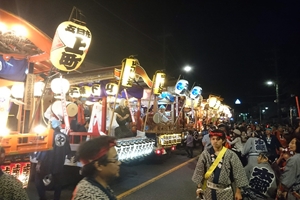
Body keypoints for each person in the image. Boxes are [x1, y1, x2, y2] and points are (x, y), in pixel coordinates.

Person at [192, 129, 248, 200]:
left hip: (226, 192)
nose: (215, 141)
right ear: (210, 140)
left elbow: (239, 173)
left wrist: (238, 192)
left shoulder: (231, 155)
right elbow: (199, 171)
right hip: (209, 191)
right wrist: (199, 187)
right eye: (213, 139)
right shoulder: (205, 154)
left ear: (223, 140)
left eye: (218, 139)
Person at [35, 120, 71, 200]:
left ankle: (42, 197)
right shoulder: (65, 136)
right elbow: (68, 151)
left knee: (38, 178)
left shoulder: (48, 135)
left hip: (47, 162)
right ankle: (56, 198)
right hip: (59, 162)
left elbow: (43, 150)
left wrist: (39, 162)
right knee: (58, 182)